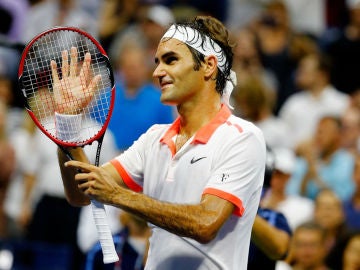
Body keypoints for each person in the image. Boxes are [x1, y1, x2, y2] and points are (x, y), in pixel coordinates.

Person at [53, 16, 266, 270]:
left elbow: (206, 223)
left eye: (171, 60)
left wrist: (117, 196)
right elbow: (81, 193)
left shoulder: (242, 138)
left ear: (209, 66)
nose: (157, 72)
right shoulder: (153, 138)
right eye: (157, 62)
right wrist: (67, 126)